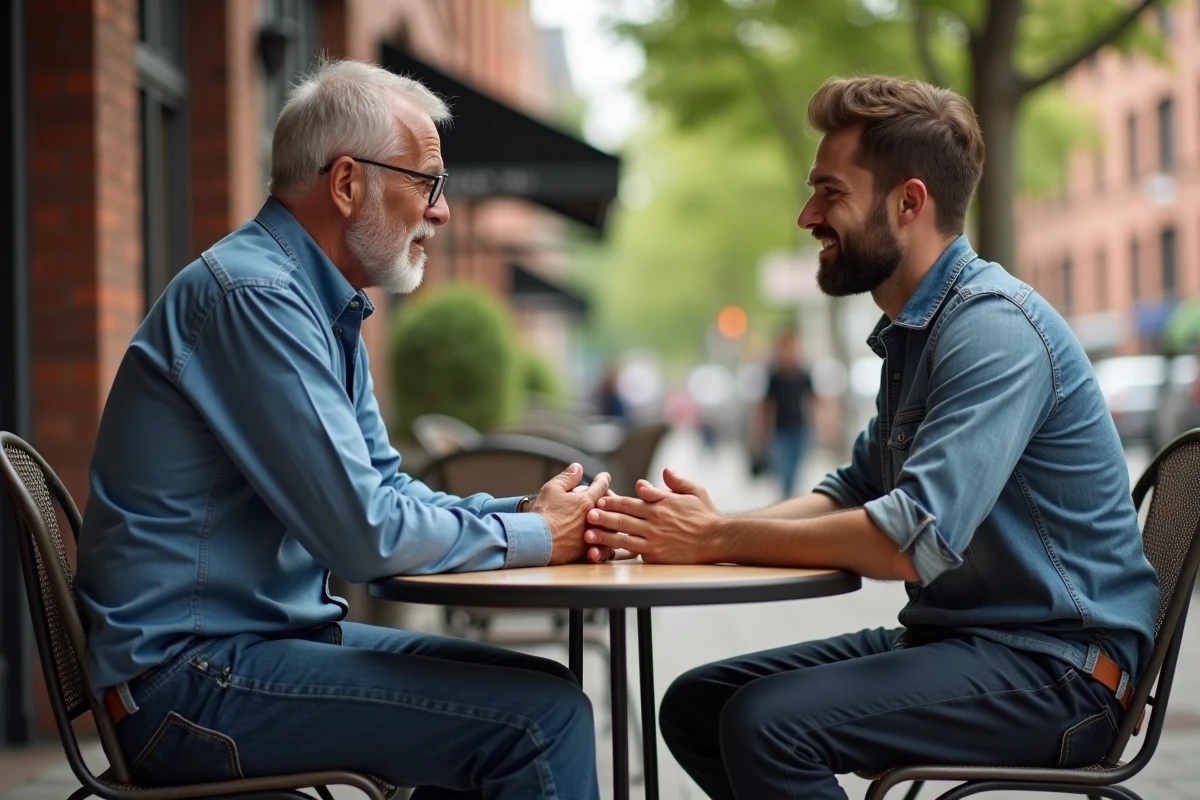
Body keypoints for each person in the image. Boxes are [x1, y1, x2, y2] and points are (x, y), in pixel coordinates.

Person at [581, 76, 1159, 799]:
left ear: (907, 202)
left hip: (1061, 673)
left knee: (768, 724)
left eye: (830, 193)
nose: (806, 216)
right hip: (967, 644)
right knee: (700, 706)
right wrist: (690, 528)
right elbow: (851, 493)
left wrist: (720, 535)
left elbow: (906, 539)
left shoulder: (993, 329)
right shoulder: (916, 333)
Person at [75, 59, 611, 800]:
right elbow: (364, 535)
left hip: (246, 653)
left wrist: (523, 516)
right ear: (348, 182)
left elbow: (384, 490)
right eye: (427, 182)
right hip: (186, 687)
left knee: (533, 686)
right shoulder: (256, 299)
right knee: (536, 720)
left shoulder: (321, 308)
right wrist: (534, 538)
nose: (442, 210)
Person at [760, 329, 814, 498]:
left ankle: (789, 498)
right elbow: (767, 406)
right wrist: (763, 433)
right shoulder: (774, 377)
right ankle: (787, 498)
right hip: (780, 431)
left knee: (797, 467)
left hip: (800, 428)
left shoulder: (804, 375)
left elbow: (811, 401)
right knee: (784, 468)